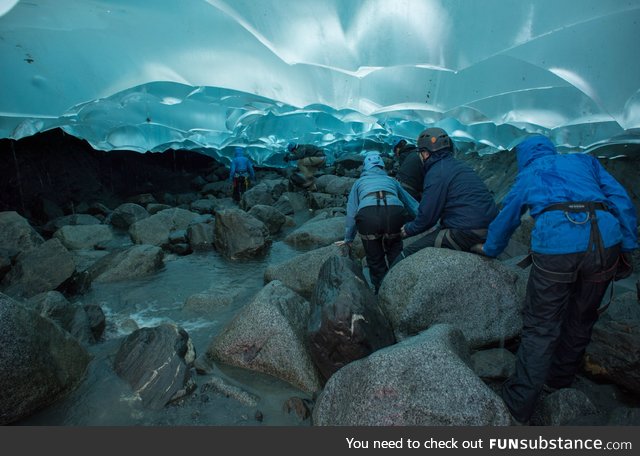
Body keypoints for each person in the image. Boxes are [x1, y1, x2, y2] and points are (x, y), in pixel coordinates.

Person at [475, 135, 638, 425]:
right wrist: (627, 246)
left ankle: (519, 405)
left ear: (524, 156)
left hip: (557, 247)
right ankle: (560, 381)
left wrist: (490, 249)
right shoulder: (584, 160)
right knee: (582, 317)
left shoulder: (530, 172)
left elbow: (509, 215)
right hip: (605, 242)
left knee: (541, 327)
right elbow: (620, 199)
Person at [391, 127, 498, 266]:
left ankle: (384, 285)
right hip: (492, 227)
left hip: (467, 231)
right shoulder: (460, 166)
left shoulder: (436, 172)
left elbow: (427, 217)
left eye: (421, 153)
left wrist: (408, 229)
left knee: (408, 253)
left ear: (426, 153)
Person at [335, 152, 419, 294]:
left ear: (365, 168)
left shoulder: (359, 183)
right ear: (382, 166)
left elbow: (352, 213)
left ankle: (381, 291)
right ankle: (398, 287)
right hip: (394, 214)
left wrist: (348, 239)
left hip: (368, 216)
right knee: (394, 251)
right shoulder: (392, 180)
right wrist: (424, 222)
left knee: (375, 258)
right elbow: (412, 204)